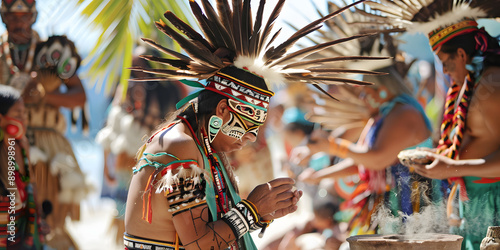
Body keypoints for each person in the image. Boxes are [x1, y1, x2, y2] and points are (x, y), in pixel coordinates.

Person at [123, 0, 380, 248]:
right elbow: (198, 245)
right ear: (223, 109)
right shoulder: (180, 147)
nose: (251, 137)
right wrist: (252, 210)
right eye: (248, 124)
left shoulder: (204, 147)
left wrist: (262, 213)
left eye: (257, 128)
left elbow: (208, 230)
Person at [0, 0, 89, 248]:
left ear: (34, 16)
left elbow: (79, 96)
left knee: (48, 217)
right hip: (4, 145)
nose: (19, 23)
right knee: (8, 214)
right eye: (13, 17)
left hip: (48, 149)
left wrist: (44, 95)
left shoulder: (52, 52)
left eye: (24, 17)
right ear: (3, 17)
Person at [96, 45, 187, 244]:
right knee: (125, 210)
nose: (136, 69)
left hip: (160, 163)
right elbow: (111, 129)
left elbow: (181, 126)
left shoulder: (171, 92)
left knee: (155, 213)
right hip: (128, 161)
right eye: (133, 64)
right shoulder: (125, 89)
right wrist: (106, 165)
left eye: (141, 64)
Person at [0, 85, 44, 249]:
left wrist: (40, 216)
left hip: (21, 228)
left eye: (24, 114)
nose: (24, 120)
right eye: (18, 114)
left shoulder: (21, 146)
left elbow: (30, 182)